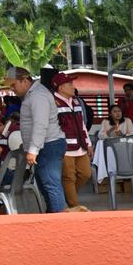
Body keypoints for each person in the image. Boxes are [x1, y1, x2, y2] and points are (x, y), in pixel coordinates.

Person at [9, 65, 67, 212]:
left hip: (49, 144)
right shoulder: (32, 95)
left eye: (13, 84)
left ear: (24, 81)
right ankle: (54, 217)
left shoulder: (38, 96)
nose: (12, 89)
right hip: (46, 145)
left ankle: (60, 221)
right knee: (46, 185)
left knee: (51, 185)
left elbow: (41, 124)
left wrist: (33, 149)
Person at [53, 73, 93, 211]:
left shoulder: (76, 101)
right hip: (65, 148)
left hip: (80, 146)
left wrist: (88, 143)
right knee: (69, 177)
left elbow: (82, 124)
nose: (73, 87)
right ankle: (74, 206)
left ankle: (67, 197)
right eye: (70, 84)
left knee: (86, 173)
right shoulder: (53, 103)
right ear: (60, 87)